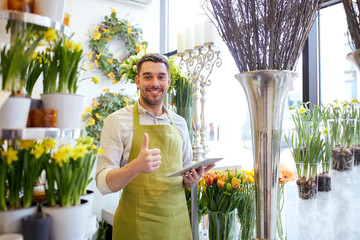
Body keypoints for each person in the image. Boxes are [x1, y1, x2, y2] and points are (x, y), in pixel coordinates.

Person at [95, 53, 214, 240]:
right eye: (147, 76)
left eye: (161, 77)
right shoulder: (117, 121)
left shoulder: (180, 123)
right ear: (137, 80)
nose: (155, 83)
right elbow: (103, 184)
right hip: (136, 226)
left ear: (168, 81)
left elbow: (185, 173)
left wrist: (192, 180)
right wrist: (136, 166)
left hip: (176, 224)